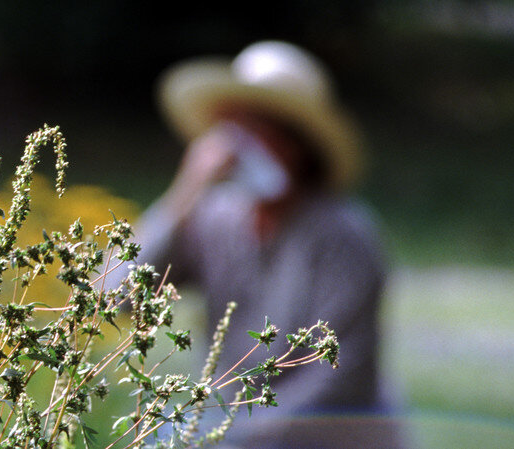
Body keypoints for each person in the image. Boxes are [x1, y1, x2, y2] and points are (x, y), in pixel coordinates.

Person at [127, 41, 406, 448]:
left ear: (298, 146)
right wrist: (183, 194)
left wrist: (232, 435)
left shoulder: (345, 235)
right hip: (225, 428)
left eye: (261, 130)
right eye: (235, 131)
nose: (244, 146)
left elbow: (341, 378)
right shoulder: (210, 217)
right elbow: (114, 296)